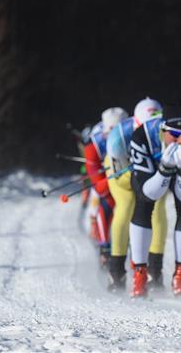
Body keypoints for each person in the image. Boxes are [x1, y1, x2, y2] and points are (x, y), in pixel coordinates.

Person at [128, 100, 181, 298]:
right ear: (162, 129)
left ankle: (180, 275)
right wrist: (165, 170)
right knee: (143, 206)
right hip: (153, 166)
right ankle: (140, 274)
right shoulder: (143, 136)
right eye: (175, 135)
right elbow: (148, 193)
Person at [104, 97, 167, 293]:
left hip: (152, 169)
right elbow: (121, 177)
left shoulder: (166, 131)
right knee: (126, 206)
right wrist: (140, 178)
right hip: (123, 172)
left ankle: (154, 270)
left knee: (157, 208)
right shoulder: (118, 138)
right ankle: (117, 271)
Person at [83, 107, 128, 268]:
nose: (113, 138)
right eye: (110, 134)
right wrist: (103, 184)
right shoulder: (94, 141)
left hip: (125, 170)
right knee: (105, 199)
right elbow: (93, 167)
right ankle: (104, 245)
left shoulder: (134, 133)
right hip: (105, 172)